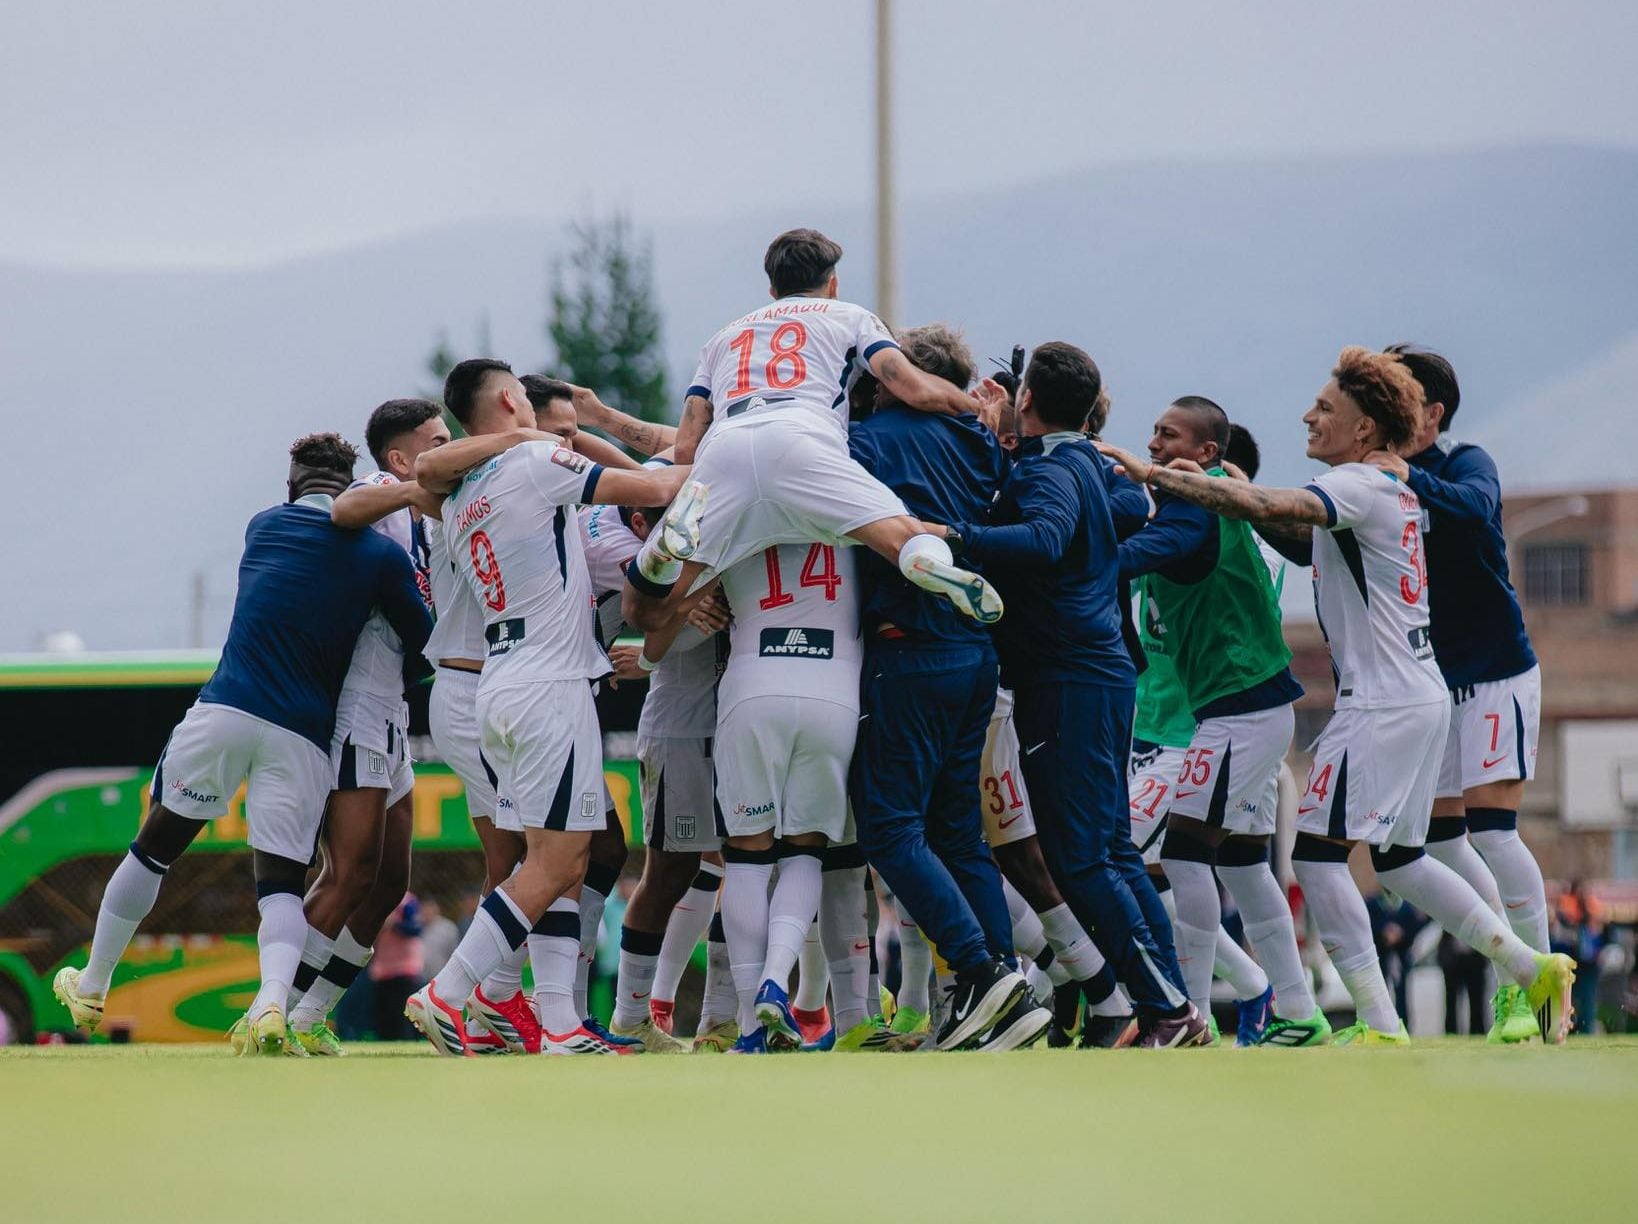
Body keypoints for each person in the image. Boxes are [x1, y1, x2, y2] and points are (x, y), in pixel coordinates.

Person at [1096, 346, 1577, 1044]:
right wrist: (1234, 489)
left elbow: (1273, 503)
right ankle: (1531, 967)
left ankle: (1378, 1022)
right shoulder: (1381, 491)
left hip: (1381, 703)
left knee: (1318, 860)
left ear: (1364, 428)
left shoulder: (1357, 484)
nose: (1308, 416)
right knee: (1401, 861)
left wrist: (1155, 475)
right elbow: (1295, 530)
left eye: (1325, 408)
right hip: (1417, 694)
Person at [54, 433, 432, 1055]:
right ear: (351, 485)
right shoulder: (381, 557)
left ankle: (92, 984)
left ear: (291, 485)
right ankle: (273, 1008)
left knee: (153, 852)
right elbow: (423, 640)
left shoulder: (264, 526)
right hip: (304, 734)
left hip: (227, 709)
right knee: (281, 887)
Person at [402, 358, 687, 1056]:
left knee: (562, 859)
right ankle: (449, 992)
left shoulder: (464, 492)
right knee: (557, 865)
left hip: (502, 681)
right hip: (548, 685)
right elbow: (658, 488)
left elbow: (433, 477)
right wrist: (730, 463)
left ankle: (559, 1025)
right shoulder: (532, 463)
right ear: (510, 398)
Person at [948, 342, 1202, 1048]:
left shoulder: (1053, 469)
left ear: (1026, 398)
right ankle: (1171, 1006)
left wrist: (956, 534)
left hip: (1071, 677)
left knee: (1082, 858)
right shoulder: (1079, 459)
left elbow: (1046, 536)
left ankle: (1167, 1008)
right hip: (1095, 673)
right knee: (1109, 852)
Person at [622, 228, 1008, 635]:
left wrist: (706, 491)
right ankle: (922, 558)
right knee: (903, 536)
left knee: (645, 612)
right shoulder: (851, 316)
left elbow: (686, 446)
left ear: (772, 290)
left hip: (723, 449)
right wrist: (974, 407)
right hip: (802, 439)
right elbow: (913, 387)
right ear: (833, 284)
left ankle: (661, 557)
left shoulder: (722, 339)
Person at [848, 325, 1054, 1052]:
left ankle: (980, 972)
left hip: (908, 646)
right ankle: (1002, 994)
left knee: (888, 827)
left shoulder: (867, 441)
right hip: (975, 653)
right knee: (959, 835)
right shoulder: (977, 439)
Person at [1117, 396, 1325, 1047]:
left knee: (1178, 858)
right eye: (1153, 433)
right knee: (1242, 865)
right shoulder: (1209, 510)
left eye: (1169, 436)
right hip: (1236, 712)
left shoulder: (1197, 510)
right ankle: (1296, 1007)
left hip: (1229, 716)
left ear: (1211, 457)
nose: (1154, 444)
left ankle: (1191, 1014)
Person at [1365, 344, 1553, 1043]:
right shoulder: (1371, 476)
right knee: (1441, 844)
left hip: (1496, 671)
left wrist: (1409, 476)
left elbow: (1475, 508)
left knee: (1494, 832)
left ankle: (1537, 992)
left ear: (1432, 412)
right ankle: (1520, 969)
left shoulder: (1464, 463)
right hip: (1430, 685)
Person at [283, 398, 447, 1056]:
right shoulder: (383, 491)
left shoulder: (430, 520)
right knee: (347, 874)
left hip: (392, 712)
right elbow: (344, 508)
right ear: (401, 459)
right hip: (355, 707)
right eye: (438, 441)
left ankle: (308, 1014)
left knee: (388, 882)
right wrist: (413, 490)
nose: (451, 449)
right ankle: (272, 1009)